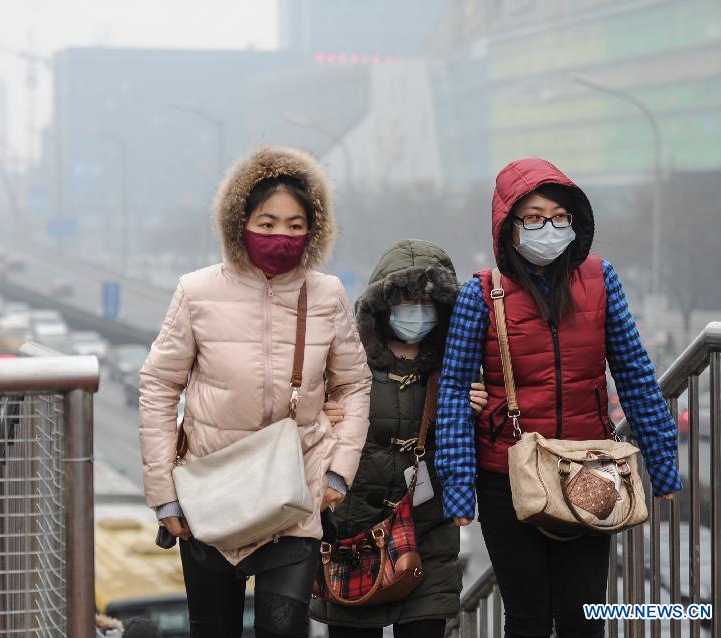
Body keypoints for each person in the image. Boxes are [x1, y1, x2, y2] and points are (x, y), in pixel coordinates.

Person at [436, 157, 682, 638]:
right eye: (532, 217)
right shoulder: (482, 294)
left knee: (583, 617)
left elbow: (634, 373)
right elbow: (453, 395)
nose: (547, 227)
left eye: (559, 216)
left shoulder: (601, 279)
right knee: (527, 619)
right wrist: (459, 488)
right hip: (505, 475)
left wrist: (664, 462)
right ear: (508, 226)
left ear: (575, 221)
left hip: (588, 470)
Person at [139, 146, 372, 638]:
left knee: (285, 628)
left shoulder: (327, 294)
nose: (281, 236)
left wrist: (338, 473)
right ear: (239, 222)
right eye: (266, 223)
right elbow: (159, 386)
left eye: (294, 224)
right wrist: (164, 495)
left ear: (314, 229)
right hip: (209, 489)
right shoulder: (196, 291)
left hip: (295, 495)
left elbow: (354, 384)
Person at [310, 239, 489, 637]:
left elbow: (470, 455)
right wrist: (319, 416)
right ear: (381, 306)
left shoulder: (458, 369)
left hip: (427, 533)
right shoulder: (344, 363)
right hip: (351, 532)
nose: (416, 312)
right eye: (404, 300)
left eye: (427, 302)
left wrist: (476, 415)